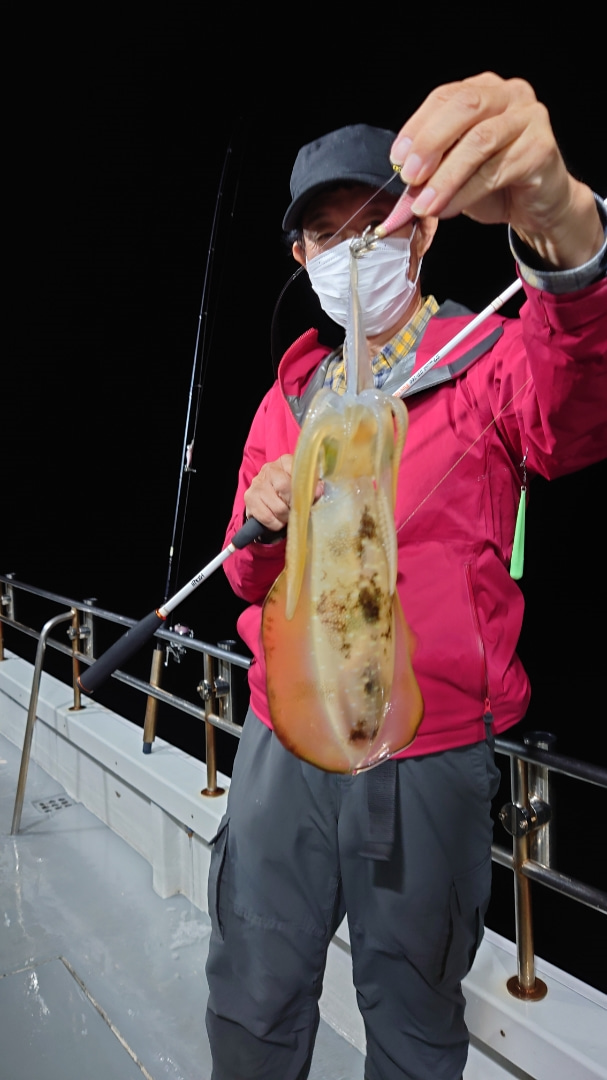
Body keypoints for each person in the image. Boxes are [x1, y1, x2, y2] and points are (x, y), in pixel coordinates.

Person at [205, 74, 607, 1080]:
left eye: (372, 223)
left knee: (415, 1019)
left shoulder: (484, 360)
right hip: (280, 741)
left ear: (419, 231)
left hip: (424, 754)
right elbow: (245, 582)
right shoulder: (287, 397)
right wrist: (257, 522)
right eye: (325, 236)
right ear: (300, 258)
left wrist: (567, 233)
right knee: (249, 994)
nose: (352, 252)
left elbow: (575, 414)